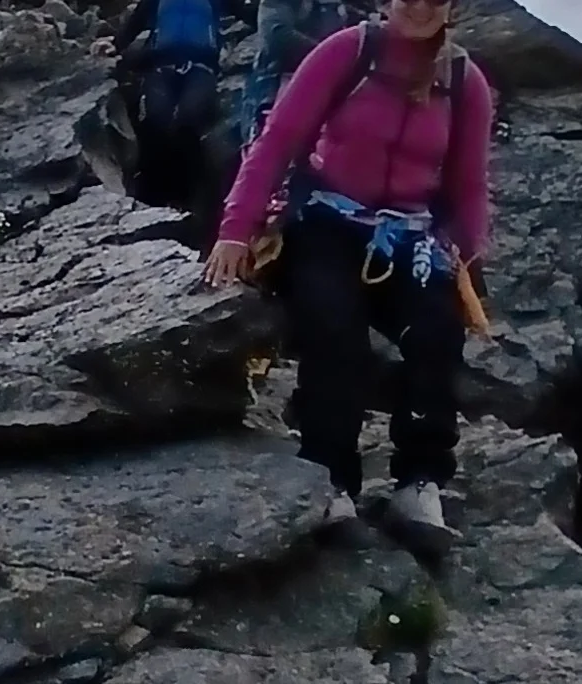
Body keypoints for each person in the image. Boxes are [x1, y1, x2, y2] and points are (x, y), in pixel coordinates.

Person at [203, 0, 493, 551]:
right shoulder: (346, 52)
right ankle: (331, 476)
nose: (418, 4)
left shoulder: (464, 81)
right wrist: (236, 230)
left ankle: (419, 481)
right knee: (335, 328)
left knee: (437, 330)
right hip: (325, 224)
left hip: (408, 237)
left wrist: (468, 258)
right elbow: (278, 142)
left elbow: (469, 184)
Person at [95, 0, 252, 203]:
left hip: (201, 68)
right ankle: (152, 197)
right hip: (160, 68)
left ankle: (189, 198)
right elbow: (134, 25)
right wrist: (114, 44)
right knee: (155, 120)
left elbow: (246, 12)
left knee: (190, 119)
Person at [239, 0, 364, 147]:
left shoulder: (352, 9)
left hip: (328, 102)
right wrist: (331, 60)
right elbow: (277, 36)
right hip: (277, 95)